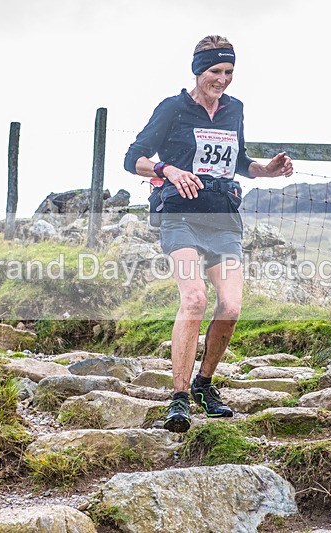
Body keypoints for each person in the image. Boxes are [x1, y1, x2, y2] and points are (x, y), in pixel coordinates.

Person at [124, 35, 293, 433]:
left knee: (231, 308)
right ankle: (179, 398)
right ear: (198, 70)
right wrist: (168, 170)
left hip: (222, 217)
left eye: (229, 72)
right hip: (179, 214)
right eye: (215, 71)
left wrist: (266, 171)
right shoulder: (172, 109)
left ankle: (204, 385)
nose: (222, 79)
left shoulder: (234, 110)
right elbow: (134, 158)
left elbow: (238, 161)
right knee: (195, 298)